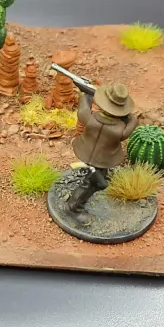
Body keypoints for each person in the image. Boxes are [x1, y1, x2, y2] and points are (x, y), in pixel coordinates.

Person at [68, 83, 140, 225]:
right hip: (101, 160)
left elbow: (82, 111)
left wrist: (85, 95)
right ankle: (73, 207)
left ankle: (80, 199)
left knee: (95, 182)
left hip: (88, 154)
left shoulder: (92, 118)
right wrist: (131, 117)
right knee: (91, 184)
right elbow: (133, 123)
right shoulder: (120, 129)